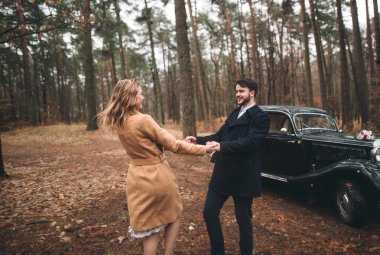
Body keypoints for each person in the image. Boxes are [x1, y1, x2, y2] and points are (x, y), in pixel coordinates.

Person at [97, 79, 214, 255]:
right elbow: (174, 146)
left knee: (149, 230)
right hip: (157, 176)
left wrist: (179, 142)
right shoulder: (143, 120)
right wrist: (205, 148)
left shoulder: (120, 122)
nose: (143, 96)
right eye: (140, 94)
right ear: (131, 98)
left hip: (136, 178)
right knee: (173, 216)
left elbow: (154, 144)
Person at [185, 78, 269, 255]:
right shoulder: (234, 113)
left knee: (243, 221)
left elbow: (251, 142)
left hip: (244, 176)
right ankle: (218, 251)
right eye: (237, 91)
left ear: (251, 93)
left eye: (241, 91)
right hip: (223, 173)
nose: (237, 94)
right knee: (209, 212)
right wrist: (197, 139)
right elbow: (219, 135)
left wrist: (223, 147)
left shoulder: (261, 116)